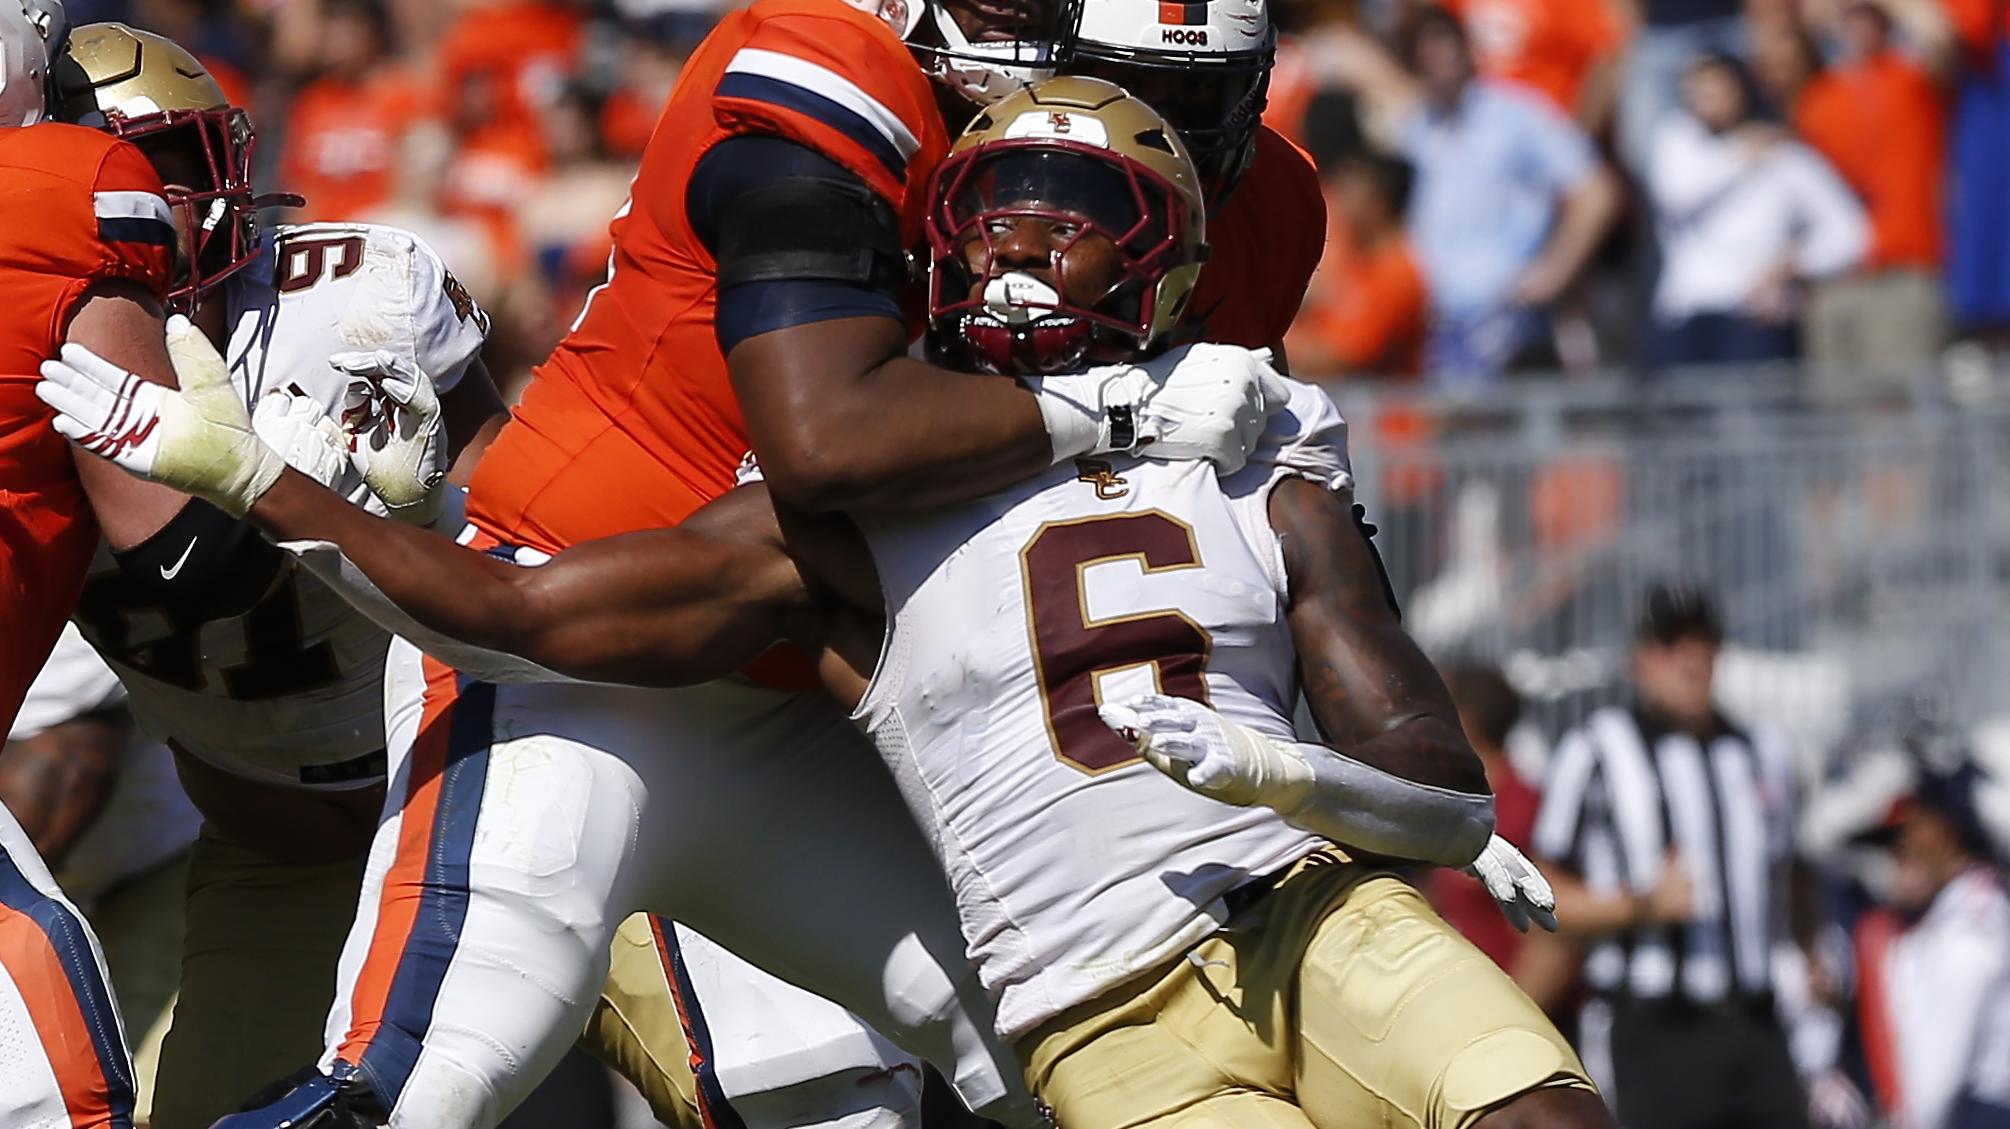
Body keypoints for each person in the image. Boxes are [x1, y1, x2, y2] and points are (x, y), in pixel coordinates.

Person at [46, 75, 1614, 1129]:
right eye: (996, 207)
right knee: (430, 1076)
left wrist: (1324, 787)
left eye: (1081, 217)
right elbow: (514, 612)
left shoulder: (1253, 424)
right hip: (1088, 1000)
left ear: (1170, 260)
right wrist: (264, 483)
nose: (1024, 249)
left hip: (1292, 906)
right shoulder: (844, 511)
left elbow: (1430, 772)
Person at [1529, 584, 1811, 1129]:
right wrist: (1638, 906)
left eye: (1704, 640)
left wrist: (1814, 949)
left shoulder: (1763, 752)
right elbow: (1541, 893)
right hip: (1655, 1030)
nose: (1691, 658)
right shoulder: (1596, 750)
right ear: (1640, 658)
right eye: (1672, 641)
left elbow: (1794, 874)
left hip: (1759, 1025)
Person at [1389, 6, 1618, 381]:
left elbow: (1596, 193)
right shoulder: (1413, 128)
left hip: (1507, 320)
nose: (1441, 62)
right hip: (1436, 323)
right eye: (1427, 54)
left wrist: (1554, 272)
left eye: (1448, 48)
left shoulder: (1517, 115)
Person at [1645, 53, 1867, 368]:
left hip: (1755, 317)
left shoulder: (1784, 157)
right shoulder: (1678, 143)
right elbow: (1677, 195)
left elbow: (1849, 232)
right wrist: (1739, 156)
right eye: (1697, 90)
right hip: (1686, 315)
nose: (1706, 100)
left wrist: (1794, 264)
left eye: (1716, 89)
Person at [1794, 0, 1952, 382]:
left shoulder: (1909, 78)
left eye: (1866, 15)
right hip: (1835, 276)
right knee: (1837, 414)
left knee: (1905, 410)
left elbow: (1939, 36)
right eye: (1848, 16)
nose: (1856, 25)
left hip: (1903, 266)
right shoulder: (1816, 98)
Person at [1853, 764, 2010, 1129]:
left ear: (1946, 830)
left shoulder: (1970, 926)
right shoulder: (1955, 913)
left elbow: (1936, 1075)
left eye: (1917, 822)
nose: (1907, 842)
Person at [1286, 147, 1428, 378]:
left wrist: (1271, 337)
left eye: (1351, 191)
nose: (1339, 201)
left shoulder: (1397, 273)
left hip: (1381, 411)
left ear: (1378, 202)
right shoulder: (1354, 259)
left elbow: (1339, 360)